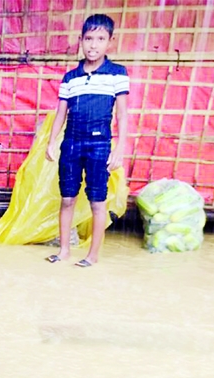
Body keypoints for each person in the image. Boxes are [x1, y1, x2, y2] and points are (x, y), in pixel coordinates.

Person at [45, 14, 129, 267]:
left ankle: (92, 256)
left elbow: (122, 113)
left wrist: (120, 148)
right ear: (81, 40)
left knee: (97, 200)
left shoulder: (117, 74)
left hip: (99, 145)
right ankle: (64, 251)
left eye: (100, 39)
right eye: (89, 38)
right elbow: (61, 112)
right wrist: (51, 142)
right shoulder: (70, 77)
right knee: (67, 198)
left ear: (110, 42)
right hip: (70, 143)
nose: (94, 45)